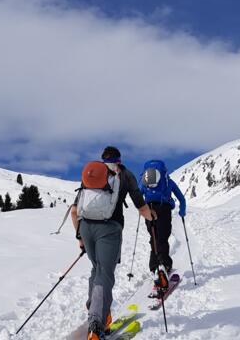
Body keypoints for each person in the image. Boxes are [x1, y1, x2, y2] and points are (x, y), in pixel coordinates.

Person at [71, 146, 155, 340]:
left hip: (86, 227)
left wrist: (80, 237)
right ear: (119, 159)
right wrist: (152, 218)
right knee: (105, 274)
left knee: (97, 269)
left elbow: (75, 210)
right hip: (109, 229)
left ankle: (97, 311)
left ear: (103, 159)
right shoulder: (124, 174)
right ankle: (96, 324)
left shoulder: (93, 172)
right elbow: (141, 207)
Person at [139, 159, 186, 294]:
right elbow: (181, 198)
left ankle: (154, 267)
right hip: (164, 209)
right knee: (163, 238)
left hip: (148, 210)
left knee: (153, 237)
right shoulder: (168, 182)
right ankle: (164, 266)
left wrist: (142, 208)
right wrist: (182, 211)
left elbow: (138, 195)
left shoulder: (144, 181)